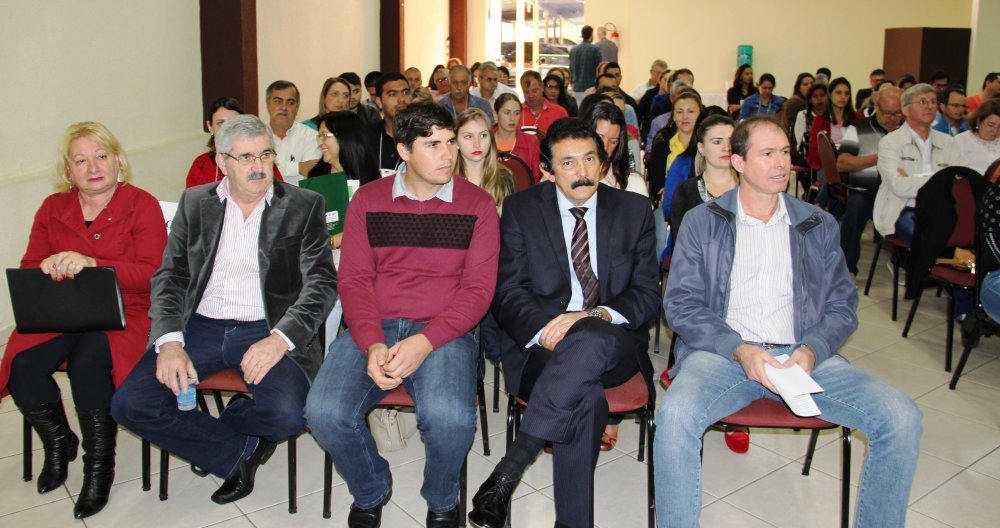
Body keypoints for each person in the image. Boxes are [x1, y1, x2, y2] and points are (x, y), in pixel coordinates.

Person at [656, 115, 923, 528]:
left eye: (784, 152)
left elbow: (841, 305)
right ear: (738, 162)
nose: (781, 162)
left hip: (802, 355)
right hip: (724, 355)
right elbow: (683, 305)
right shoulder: (703, 222)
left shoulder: (816, 223)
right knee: (675, 416)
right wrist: (739, 350)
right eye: (767, 154)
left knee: (902, 417)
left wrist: (812, 349)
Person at [111, 115, 337, 506]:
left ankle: (236, 423)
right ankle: (237, 452)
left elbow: (321, 283)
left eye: (265, 154)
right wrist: (168, 341)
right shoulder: (196, 203)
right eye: (246, 157)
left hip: (266, 327)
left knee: (292, 413)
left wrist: (279, 340)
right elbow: (171, 276)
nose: (258, 166)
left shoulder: (302, 205)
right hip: (201, 324)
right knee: (131, 405)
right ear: (222, 162)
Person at [305, 102, 500, 528]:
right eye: (433, 145)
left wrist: (425, 340)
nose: (448, 154)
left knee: (450, 419)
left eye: (450, 142)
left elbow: (478, 292)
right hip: (375, 324)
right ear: (404, 151)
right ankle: (372, 487)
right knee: (324, 412)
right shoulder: (369, 201)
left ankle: (442, 497)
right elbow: (354, 280)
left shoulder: (478, 205)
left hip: (443, 330)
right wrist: (373, 341)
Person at [467, 117, 659, 528]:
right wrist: (546, 331)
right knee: (584, 398)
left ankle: (508, 471)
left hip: (615, 343)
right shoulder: (521, 210)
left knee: (591, 338)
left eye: (590, 159)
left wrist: (587, 317)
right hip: (543, 347)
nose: (583, 171)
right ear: (547, 170)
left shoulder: (632, 210)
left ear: (602, 163)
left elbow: (646, 295)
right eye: (568, 163)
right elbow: (508, 292)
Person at [0, 122, 166, 519]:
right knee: (23, 366)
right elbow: (29, 266)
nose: (93, 166)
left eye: (101, 156)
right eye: (81, 160)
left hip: (126, 311)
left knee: (88, 364)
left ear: (118, 161)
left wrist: (94, 264)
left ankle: (98, 468)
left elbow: (153, 272)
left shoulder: (140, 203)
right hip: (64, 312)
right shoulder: (52, 207)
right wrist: (49, 266)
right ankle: (59, 441)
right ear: (68, 171)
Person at [874, 83, 969, 245]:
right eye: (923, 102)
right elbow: (899, 186)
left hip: (943, 209)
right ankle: (913, 267)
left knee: (969, 234)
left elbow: (963, 179)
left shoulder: (948, 143)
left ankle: (915, 267)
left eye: (933, 101)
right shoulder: (891, 142)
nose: (930, 106)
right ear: (905, 110)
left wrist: (914, 179)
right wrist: (941, 179)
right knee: (928, 237)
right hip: (904, 210)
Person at [837, 85, 904, 275]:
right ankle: (847, 269)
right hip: (865, 191)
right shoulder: (859, 128)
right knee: (855, 211)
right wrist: (878, 157)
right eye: (887, 113)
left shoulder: (908, 131)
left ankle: (906, 265)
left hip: (898, 193)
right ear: (877, 107)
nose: (892, 118)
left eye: (897, 113)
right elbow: (842, 163)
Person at [186, 97, 285, 187]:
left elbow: (282, 196)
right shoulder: (200, 166)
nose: (227, 129)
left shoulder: (263, 162)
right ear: (210, 127)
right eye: (220, 123)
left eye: (234, 123)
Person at [647, 90, 702, 203]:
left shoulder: (705, 147)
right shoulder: (661, 147)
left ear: (700, 114)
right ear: (673, 116)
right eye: (679, 112)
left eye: (691, 111)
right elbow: (657, 188)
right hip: (668, 204)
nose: (685, 117)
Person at [455, 107, 515, 210]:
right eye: (468, 136)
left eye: (483, 135)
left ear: (491, 139)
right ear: (456, 142)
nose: (477, 144)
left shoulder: (504, 177)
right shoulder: (446, 179)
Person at [585, 101, 647, 197]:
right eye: (599, 138)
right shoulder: (568, 178)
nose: (605, 146)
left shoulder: (633, 184)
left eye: (613, 142)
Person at [266, 80, 320, 184]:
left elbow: (310, 176)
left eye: (290, 102)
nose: (284, 107)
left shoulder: (311, 137)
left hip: (298, 199)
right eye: (278, 101)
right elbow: (259, 171)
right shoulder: (256, 136)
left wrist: (274, 167)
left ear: (297, 107)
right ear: (268, 104)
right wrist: (298, 167)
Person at [370, 72, 413, 173]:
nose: (402, 99)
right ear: (379, 102)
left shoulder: (424, 135)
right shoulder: (367, 136)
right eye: (393, 94)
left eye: (406, 92)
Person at [494, 93, 541, 182]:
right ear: (496, 113)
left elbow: (536, 178)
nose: (512, 118)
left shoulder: (531, 142)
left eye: (517, 113)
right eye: (507, 113)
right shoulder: (485, 140)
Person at [955, 98, 1000, 175]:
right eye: (990, 125)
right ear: (978, 121)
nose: (995, 130)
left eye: (999, 127)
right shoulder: (961, 141)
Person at [569, 25, 602, 103]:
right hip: (590, 88)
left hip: (576, 88)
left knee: (578, 113)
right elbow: (599, 69)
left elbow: (571, 69)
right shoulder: (595, 49)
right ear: (591, 35)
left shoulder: (573, 50)